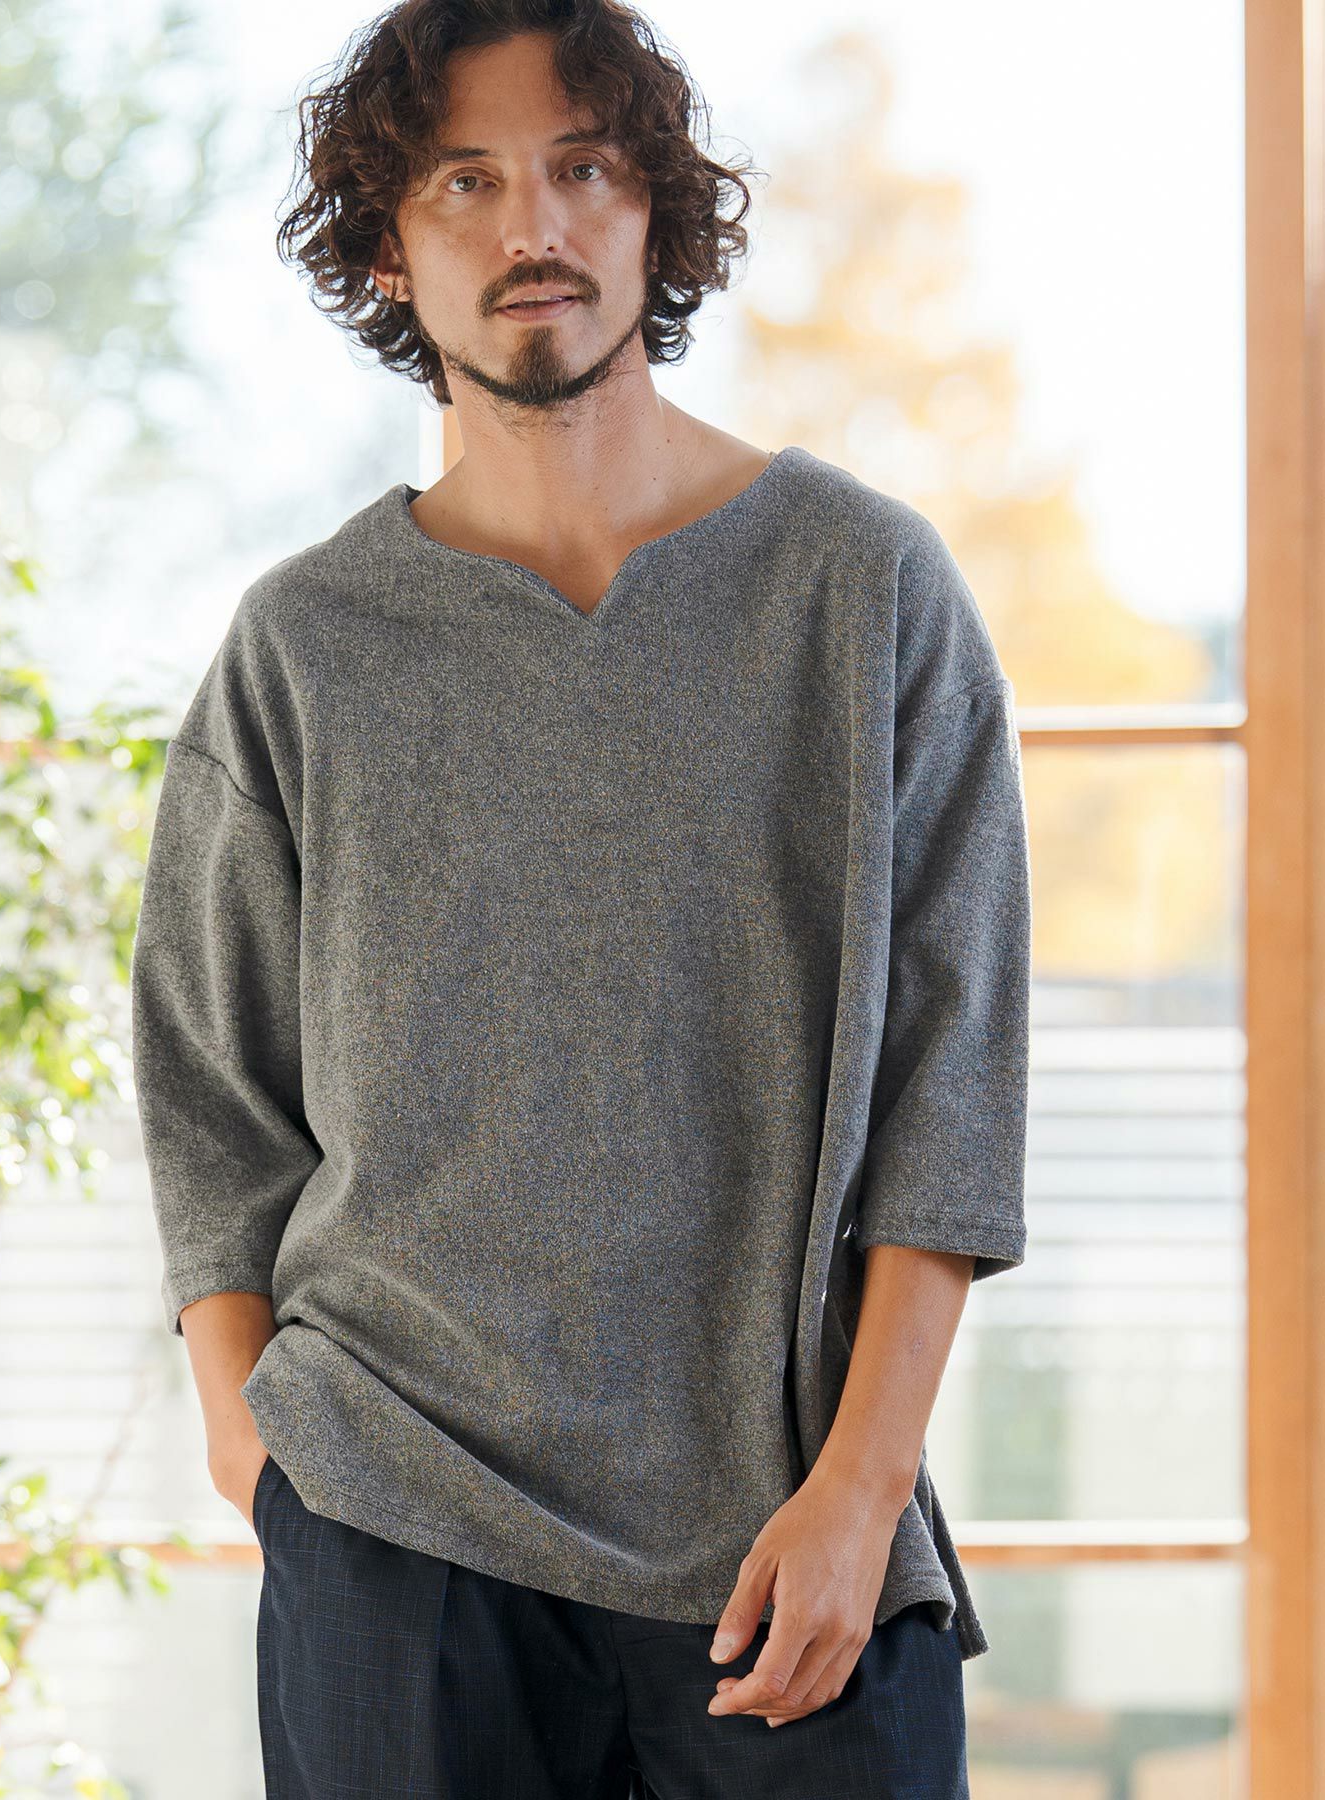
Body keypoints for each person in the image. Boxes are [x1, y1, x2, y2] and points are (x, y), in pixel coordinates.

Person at [128, 2, 1032, 1794]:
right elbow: (208, 1089)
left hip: (788, 1532)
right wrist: (258, 1449)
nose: (530, 225)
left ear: (655, 216)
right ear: (389, 249)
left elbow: (954, 1090)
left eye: (583, 168)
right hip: (392, 1514)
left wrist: (864, 1490)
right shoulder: (304, 644)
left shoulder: (863, 591)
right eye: (464, 180)